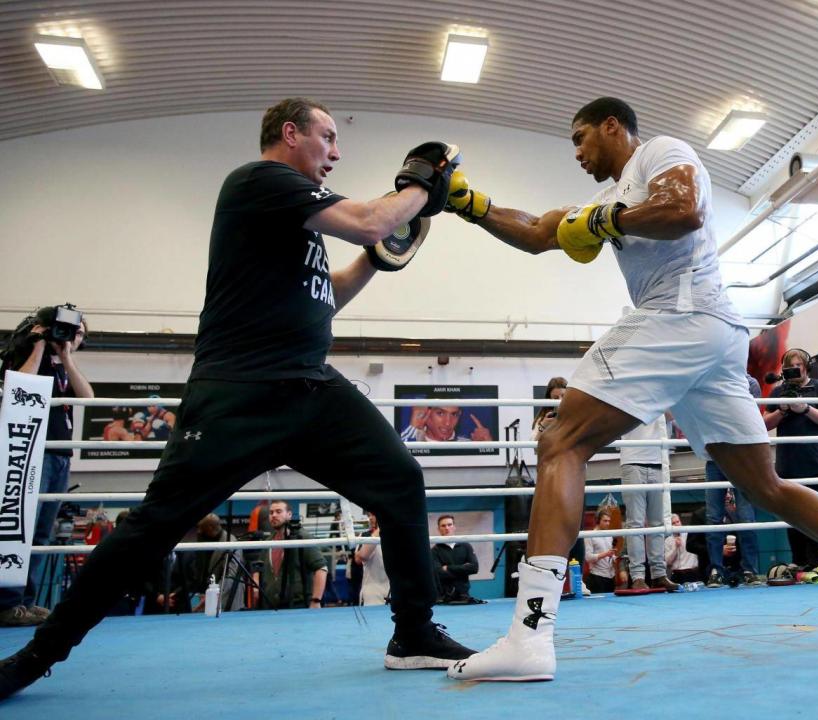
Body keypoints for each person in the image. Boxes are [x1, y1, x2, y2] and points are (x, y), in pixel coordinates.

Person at [444, 97, 818, 682]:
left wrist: (607, 221)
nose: (578, 153)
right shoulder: (608, 200)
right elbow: (536, 232)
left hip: (680, 314)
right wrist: (466, 202)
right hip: (710, 335)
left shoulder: (660, 153)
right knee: (764, 484)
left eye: (581, 138)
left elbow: (683, 209)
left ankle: (528, 638)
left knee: (560, 442)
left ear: (614, 127)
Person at [0, 97, 473, 701]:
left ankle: (412, 635)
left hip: (308, 385)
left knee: (402, 480)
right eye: (328, 137)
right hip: (238, 392)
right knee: (152, 527)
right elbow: (372, 218)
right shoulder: (259, 182)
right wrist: (421, 182)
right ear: (290, 132)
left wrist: (378, 259)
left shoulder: (298, 219)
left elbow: (330, 294)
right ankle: (38, 654)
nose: (337, 151)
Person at [0, 306, 93, 628]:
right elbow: (18, 388)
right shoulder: (25, 355)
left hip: (59, 454)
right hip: (28, 451)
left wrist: (66, 356)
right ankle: (7, 602)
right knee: (19, 530)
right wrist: (38, 344)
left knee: (41, 534)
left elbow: (87, 398)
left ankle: (26, 601)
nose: (73, 338)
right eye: (69, 332)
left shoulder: (65, 366)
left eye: (79, 334)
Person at [763, 349, 818, 569]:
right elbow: (765, 424)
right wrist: (783, 411)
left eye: (797, 366)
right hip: (789, 462)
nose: (794, 371)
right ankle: (800, 561)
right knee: (792, 514)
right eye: (789, 368)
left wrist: (805, 408)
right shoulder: (778, 392)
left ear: (807, 366)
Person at [702, 372, 763, 587]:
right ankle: (716, 571)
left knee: (747, 516)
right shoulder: (707, 378)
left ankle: (750, 570)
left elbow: (753, 418)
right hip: (715, 454)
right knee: (713, 516)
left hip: (742, 455)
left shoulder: (750, 382)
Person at [619, 415, 677, 591]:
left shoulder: (660, 391)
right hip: (633, 459)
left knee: (657, 523)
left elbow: (671, 413)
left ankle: (659, 574)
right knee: (635, 523)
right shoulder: (627, 391)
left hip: (658, 460)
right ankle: (637, 576)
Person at [252, 501, 327, 610]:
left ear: (289, 515)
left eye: (278, 512)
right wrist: (256, 587)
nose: (274, 515)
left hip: (298, 605)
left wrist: (316, 601)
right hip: (271, 606)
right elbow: (259, 567)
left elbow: (321, 568)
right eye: (271, 512)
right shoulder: (268, 541)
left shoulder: (302, 538)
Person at [431, 515, 479, 603]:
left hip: (464, 596)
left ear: (454, 527)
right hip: (443, 597)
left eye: (449, 525)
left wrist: (448, 568)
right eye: (443, 525)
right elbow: (438, 573)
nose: (447, 528)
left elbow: (474, 568)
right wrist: (463, 569)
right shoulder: (434, 551)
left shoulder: (466, 546)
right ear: (438, 529)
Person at [400, 405, 493, 442]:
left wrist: (488, 446)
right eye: (440, 413)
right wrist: (413, 427)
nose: (448, 423)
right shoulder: (406, 441)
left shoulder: (468, 445)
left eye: (454, 414)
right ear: (426, 413)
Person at [355, 512, 390, 606]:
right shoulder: (365, 535)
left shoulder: (397, 535)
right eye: (369, 515)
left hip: (395, 591)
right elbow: (360, 557)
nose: (370, 518)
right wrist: (381, 529)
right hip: (373, 592)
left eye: (373, 515)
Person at [583, 509, 617, 593]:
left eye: (609, 521)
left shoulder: (609, 536)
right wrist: (606, 554)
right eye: (605, 521)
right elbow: (588, 557)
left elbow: (609, 553)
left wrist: (614, 557)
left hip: (610, 576)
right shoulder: (589, 536)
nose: (608, 523)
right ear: (598, 520)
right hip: (597, 577)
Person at [664, 514, 701, 584]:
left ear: (681, 522)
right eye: (673, 523)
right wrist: (675, 548)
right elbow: (667, 562)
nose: (676, 525)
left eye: (678, 522)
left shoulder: (690, 536)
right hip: (677, 575)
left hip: (692, 573)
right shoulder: (668, 540)